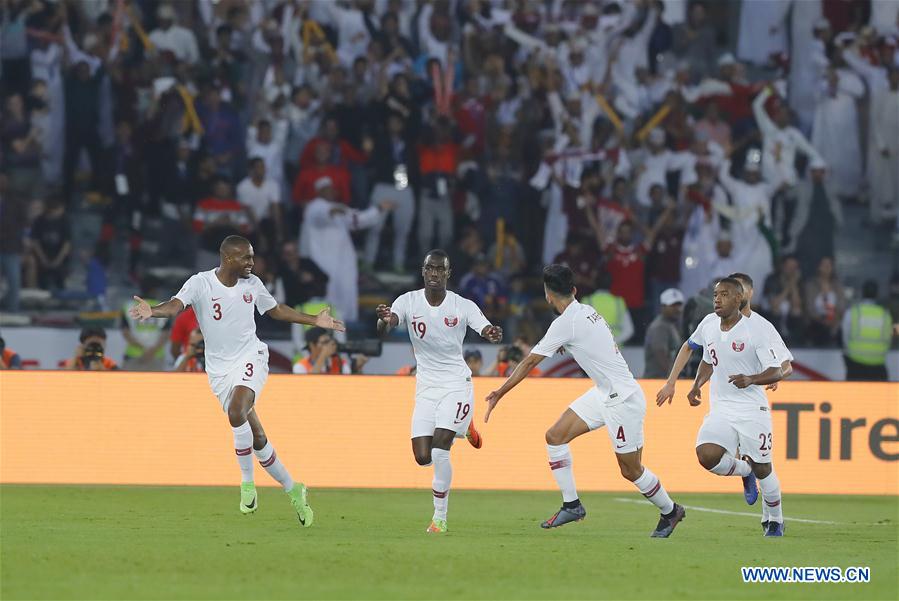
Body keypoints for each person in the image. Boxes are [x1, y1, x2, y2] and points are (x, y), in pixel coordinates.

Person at [129, 235, 346, 526]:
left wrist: (313, 320)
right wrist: (152, 311)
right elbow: (175, 306)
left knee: (236, 411)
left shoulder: (253, 285)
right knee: (257, 439)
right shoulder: (201, 283)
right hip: (219, 370)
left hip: (251, 357)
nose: (252, 263)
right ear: (229, 258)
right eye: (246, 258)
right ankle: (294, 488)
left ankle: (246, 484)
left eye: (252, 257)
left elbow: (276, 310)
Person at [484, 264, 686, 538]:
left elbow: (530, 360)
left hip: (622, 399)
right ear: (574, 291)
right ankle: (572, 505)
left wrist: (500, 392)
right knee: (555, 436)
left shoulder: (564, 323)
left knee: (631, 470)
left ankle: (670, 510)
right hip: (604, 392)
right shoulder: (587, 311)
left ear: (547, 295)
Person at [375, 250, 503, 533]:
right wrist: (384, 319)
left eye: (439, 269)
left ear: (448, 273)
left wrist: (491, 333)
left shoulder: (462, 306)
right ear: (423, 271)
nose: (434, 274)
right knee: (422, 457)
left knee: (440, 450)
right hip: (426, 388)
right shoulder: (407, 301)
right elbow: (387, 325)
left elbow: (484, 327)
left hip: (457, 385)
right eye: (429, 269)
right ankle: (464, 426)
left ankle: (439, 518)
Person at [677, 278, 787, 536]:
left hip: (751, 410)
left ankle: (775, 520)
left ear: (739, 299)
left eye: (724, 295)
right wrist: (696, 385)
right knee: (706, 455)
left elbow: (777, 371)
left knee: (764, 467)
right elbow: (707, 360)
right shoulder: (708, 324)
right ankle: (745, 471)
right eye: (716, 294)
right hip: (722, 408)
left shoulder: (755, 331)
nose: (717, 299)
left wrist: (751, 379)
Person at [299, 176, 394, 322]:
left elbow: (358, 220)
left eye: (331, 189)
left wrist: (379, 208)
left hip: (344, 261)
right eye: (326, 189)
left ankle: (349, 324)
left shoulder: (339, 208)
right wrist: (333, 210)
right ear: (319, 191)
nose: (330, 192)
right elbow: (322, 215)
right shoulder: (315, 206)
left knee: (348, 293)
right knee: (329, 296)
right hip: (324, 262)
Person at [842, 280, 893, 381]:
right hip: (878, 366)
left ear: (862, 293)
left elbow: (845, 337)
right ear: (877, 294)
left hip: (856, 366)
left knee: (855, 396)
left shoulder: (852, 312)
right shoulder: (885, 315)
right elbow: (889, 339)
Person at [643, 289, 684, 378]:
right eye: (673, 306)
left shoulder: (671, 324)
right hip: (657, 380)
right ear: (663, 307)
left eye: (679, 305)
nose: (677, 309)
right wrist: (675, 376)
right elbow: (660, 353)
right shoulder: (660, 326)